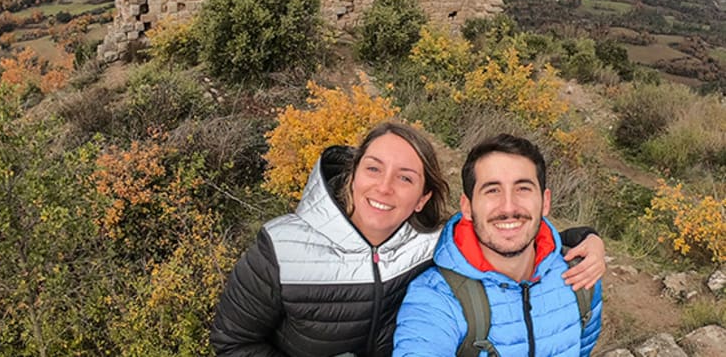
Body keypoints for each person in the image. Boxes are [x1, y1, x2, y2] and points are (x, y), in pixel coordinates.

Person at [211, 122, 604, 357]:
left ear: (423, 198)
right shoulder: (283, 250)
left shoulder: (429, 244)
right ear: (351, 175)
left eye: (405, 177)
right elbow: (233, 342)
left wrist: (584, 239)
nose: (384, 188)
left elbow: (502, 231)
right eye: (373, 169)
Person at [393, 133, 604, 357]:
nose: (508, 207)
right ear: (467, 207)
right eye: (492, 190)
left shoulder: (581, 276)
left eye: (523, 188)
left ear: (545, 202)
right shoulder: (437, 297)